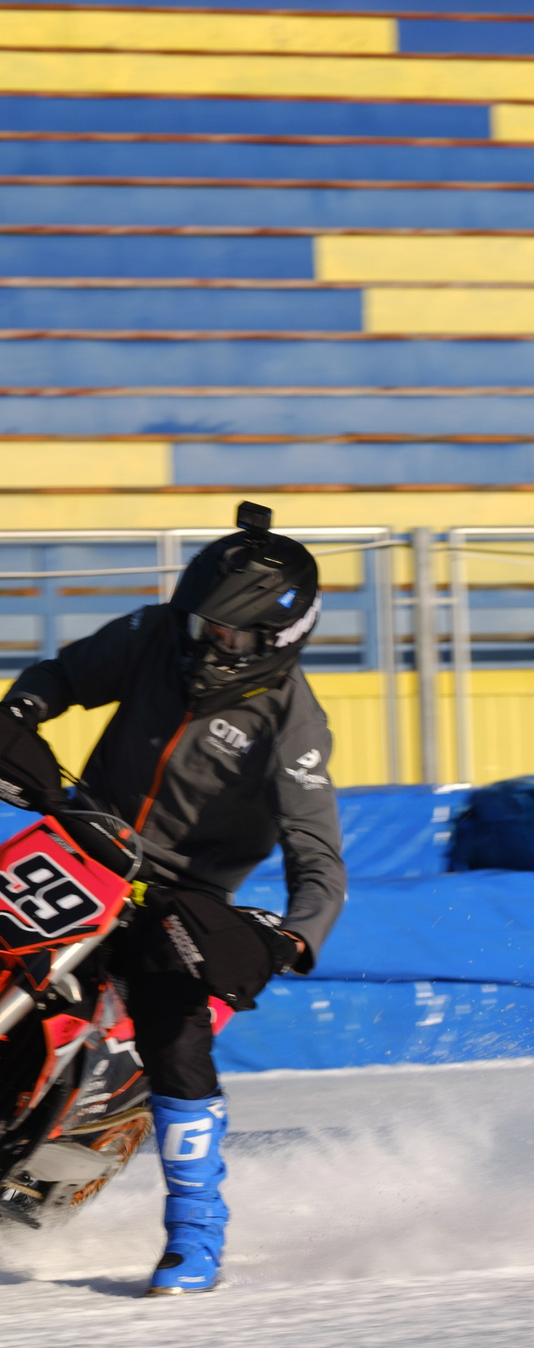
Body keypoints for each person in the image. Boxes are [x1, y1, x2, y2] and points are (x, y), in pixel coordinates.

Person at [0, 502, 344, 1295]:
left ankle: (196, 1229)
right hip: (78, 836)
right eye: (199, 623)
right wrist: (21, 713)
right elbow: (58, 677)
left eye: (223, 634)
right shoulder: (156, 633)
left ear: (274, 642)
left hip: (175, 898)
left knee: (175, 1029)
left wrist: (294, 938)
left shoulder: (294, 725)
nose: (201, 641)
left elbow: (319, 858)